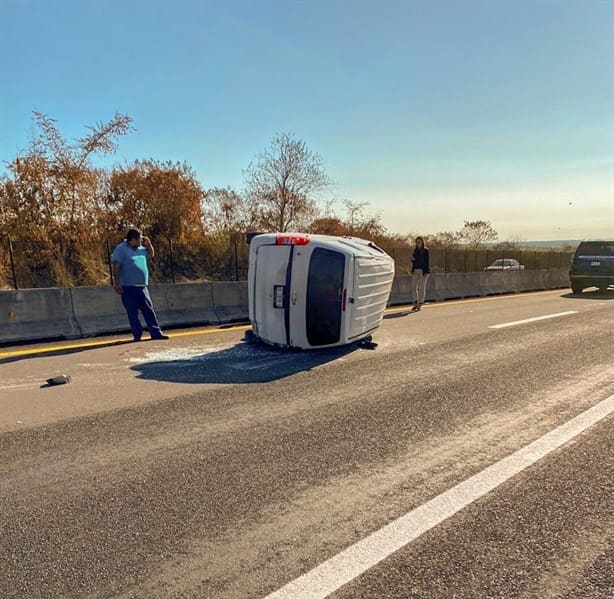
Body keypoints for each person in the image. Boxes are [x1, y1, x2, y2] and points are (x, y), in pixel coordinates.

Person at [112, 228, 169, 341]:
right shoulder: (120, 249)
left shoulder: (142, 248)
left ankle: (155, 332)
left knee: (149, 310)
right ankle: (137, 334)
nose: (141, 241)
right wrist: (117, 282)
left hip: (142, 286)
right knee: (132, 312)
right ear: (132, 239)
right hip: (128, 286)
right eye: (139, 239)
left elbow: (152, 254)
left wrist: (149, 244)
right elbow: (116, 265)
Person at [411, 236, 430, 311]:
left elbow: (427, 262)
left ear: (422, 242)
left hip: (423, 270)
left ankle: (420, 303)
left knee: (421, 287)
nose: (418, 243)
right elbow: (414, 260)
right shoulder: (415, 250)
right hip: (415, 269)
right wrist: (412, 260)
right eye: (417, 242)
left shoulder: (425, 250)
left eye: (419, 242)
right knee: (413, 286)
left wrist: (426, 272)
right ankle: (415, 301)